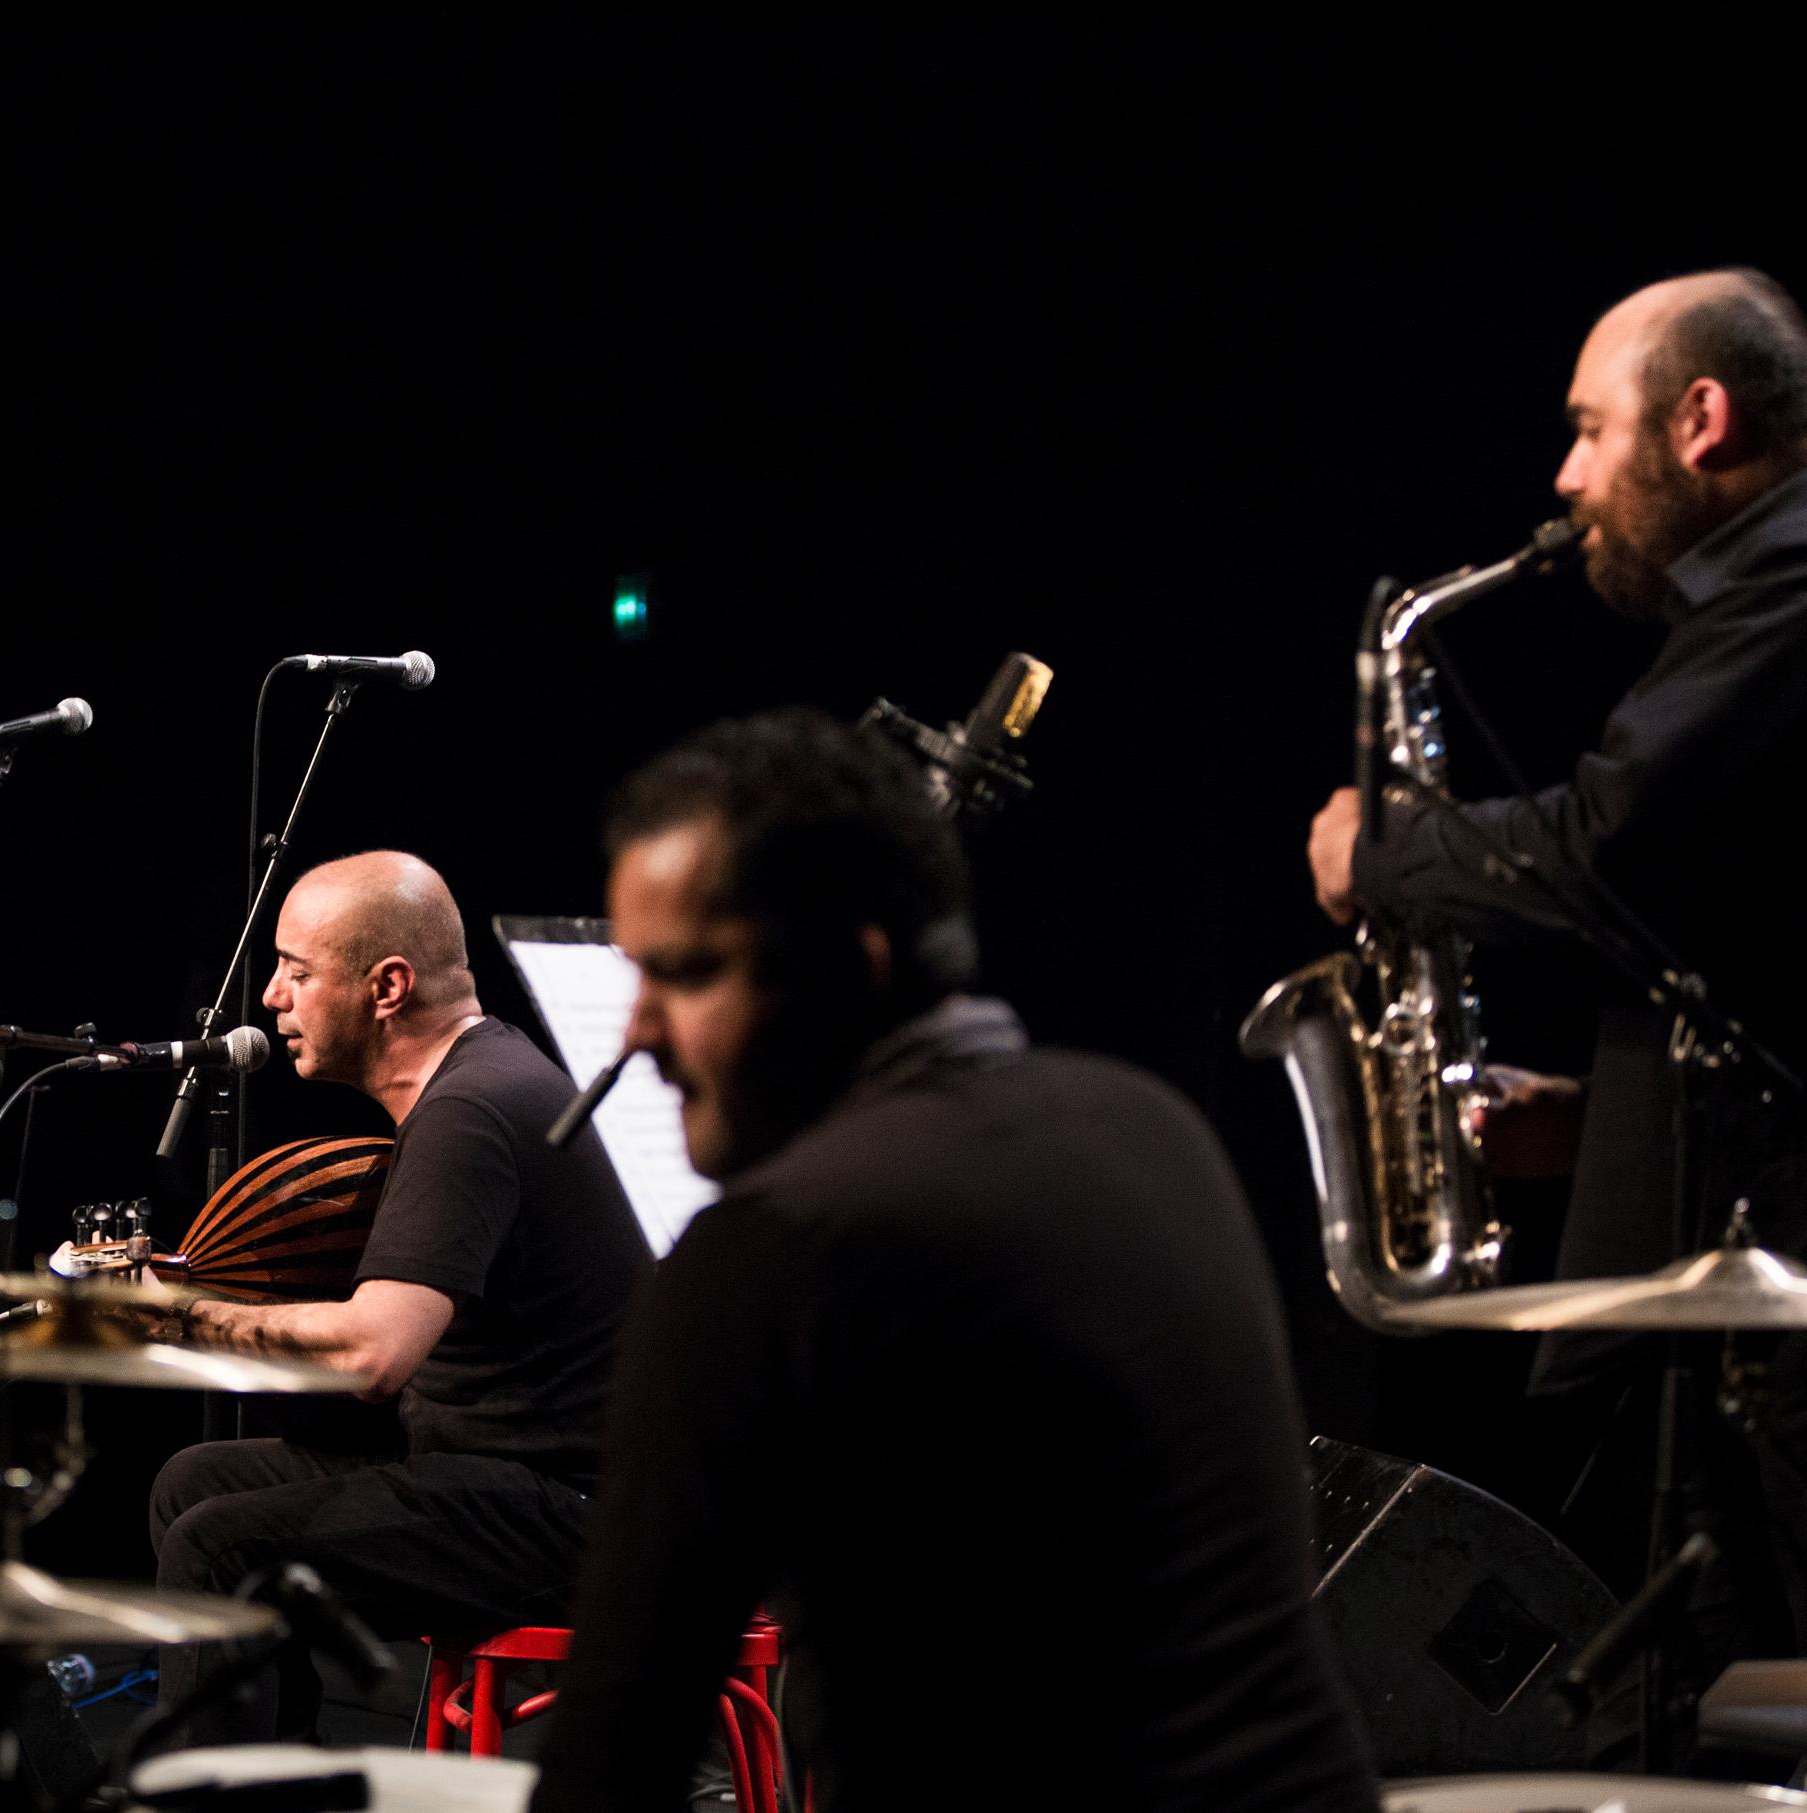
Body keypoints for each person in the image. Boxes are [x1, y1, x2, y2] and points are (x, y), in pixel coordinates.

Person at [531, 711, 1378, 1812]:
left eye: (685, 975)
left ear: (851, 966)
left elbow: (616, 1755)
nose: (635, 1034)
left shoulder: (776, 1245)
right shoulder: (1149, 1124)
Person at [1304, 268, 1807, 1656]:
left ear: (1699, 419)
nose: (1567, 471)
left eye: (1593, 428)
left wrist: (1384, 857)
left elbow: (1605, 844)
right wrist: (1600, 1124)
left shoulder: (1789, 589)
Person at [129, 850, 651, 1743]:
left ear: (388, 986)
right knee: (193, 1486)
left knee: (221, 1546)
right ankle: (270, 1783)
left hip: (573, 1514)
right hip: (501, 1471)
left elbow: (373, 1356)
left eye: (296, 972)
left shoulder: (469, 1111)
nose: (270, 999)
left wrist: (177, 1314)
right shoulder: (482, 1077)